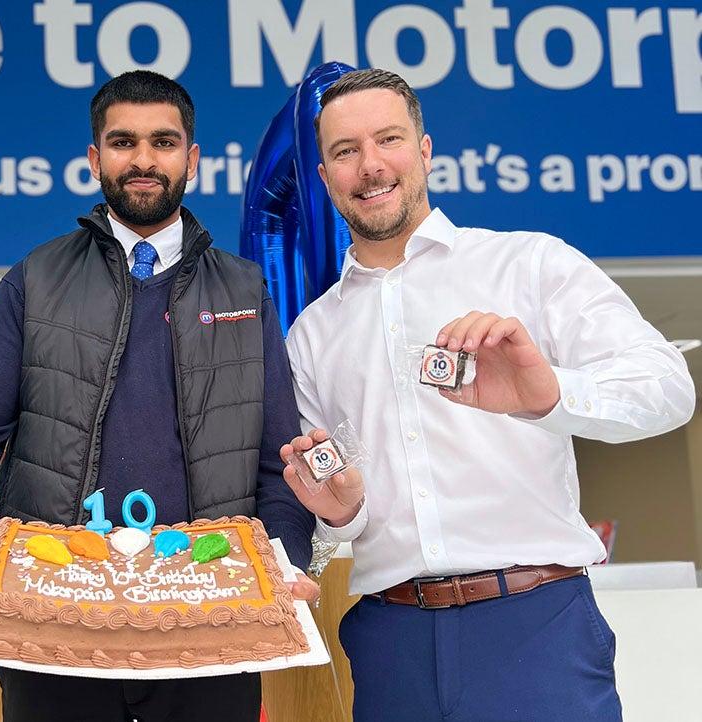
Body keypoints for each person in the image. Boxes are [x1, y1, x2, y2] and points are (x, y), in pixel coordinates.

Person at [279, 68, 695, 722]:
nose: (369, 165)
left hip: (536, 624)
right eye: (344, 151)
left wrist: (548, 395)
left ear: (424, 150)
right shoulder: (311, 335)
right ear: (326, 176)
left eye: (388, 139)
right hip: (391, 643)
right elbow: (338, 503)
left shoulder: (529, 264)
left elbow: (667, 387)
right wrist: (339, 513)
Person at [0, 70, 316, 722]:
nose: (145, 160)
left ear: (193, 158)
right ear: (97, 159)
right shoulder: (34, 281)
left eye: (164, 141)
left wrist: (284, 561)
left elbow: (278, 460)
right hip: (55, 625)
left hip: (207, 625)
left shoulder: (244, 292)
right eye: (124, 142)